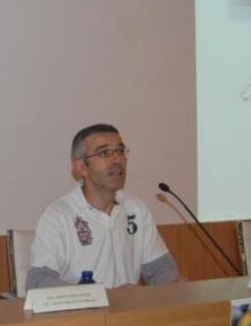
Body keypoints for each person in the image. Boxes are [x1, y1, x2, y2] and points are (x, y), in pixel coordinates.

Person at [27, 123, 180, 290]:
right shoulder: (59, 216)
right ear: (81, 167)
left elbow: (160, 269)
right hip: (80, 315)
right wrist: (103, 297)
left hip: (131, 314)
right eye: (104, 153)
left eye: (120, 151)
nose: (117, 160)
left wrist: (174, 286)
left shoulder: (135, 208)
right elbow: (39, 282)